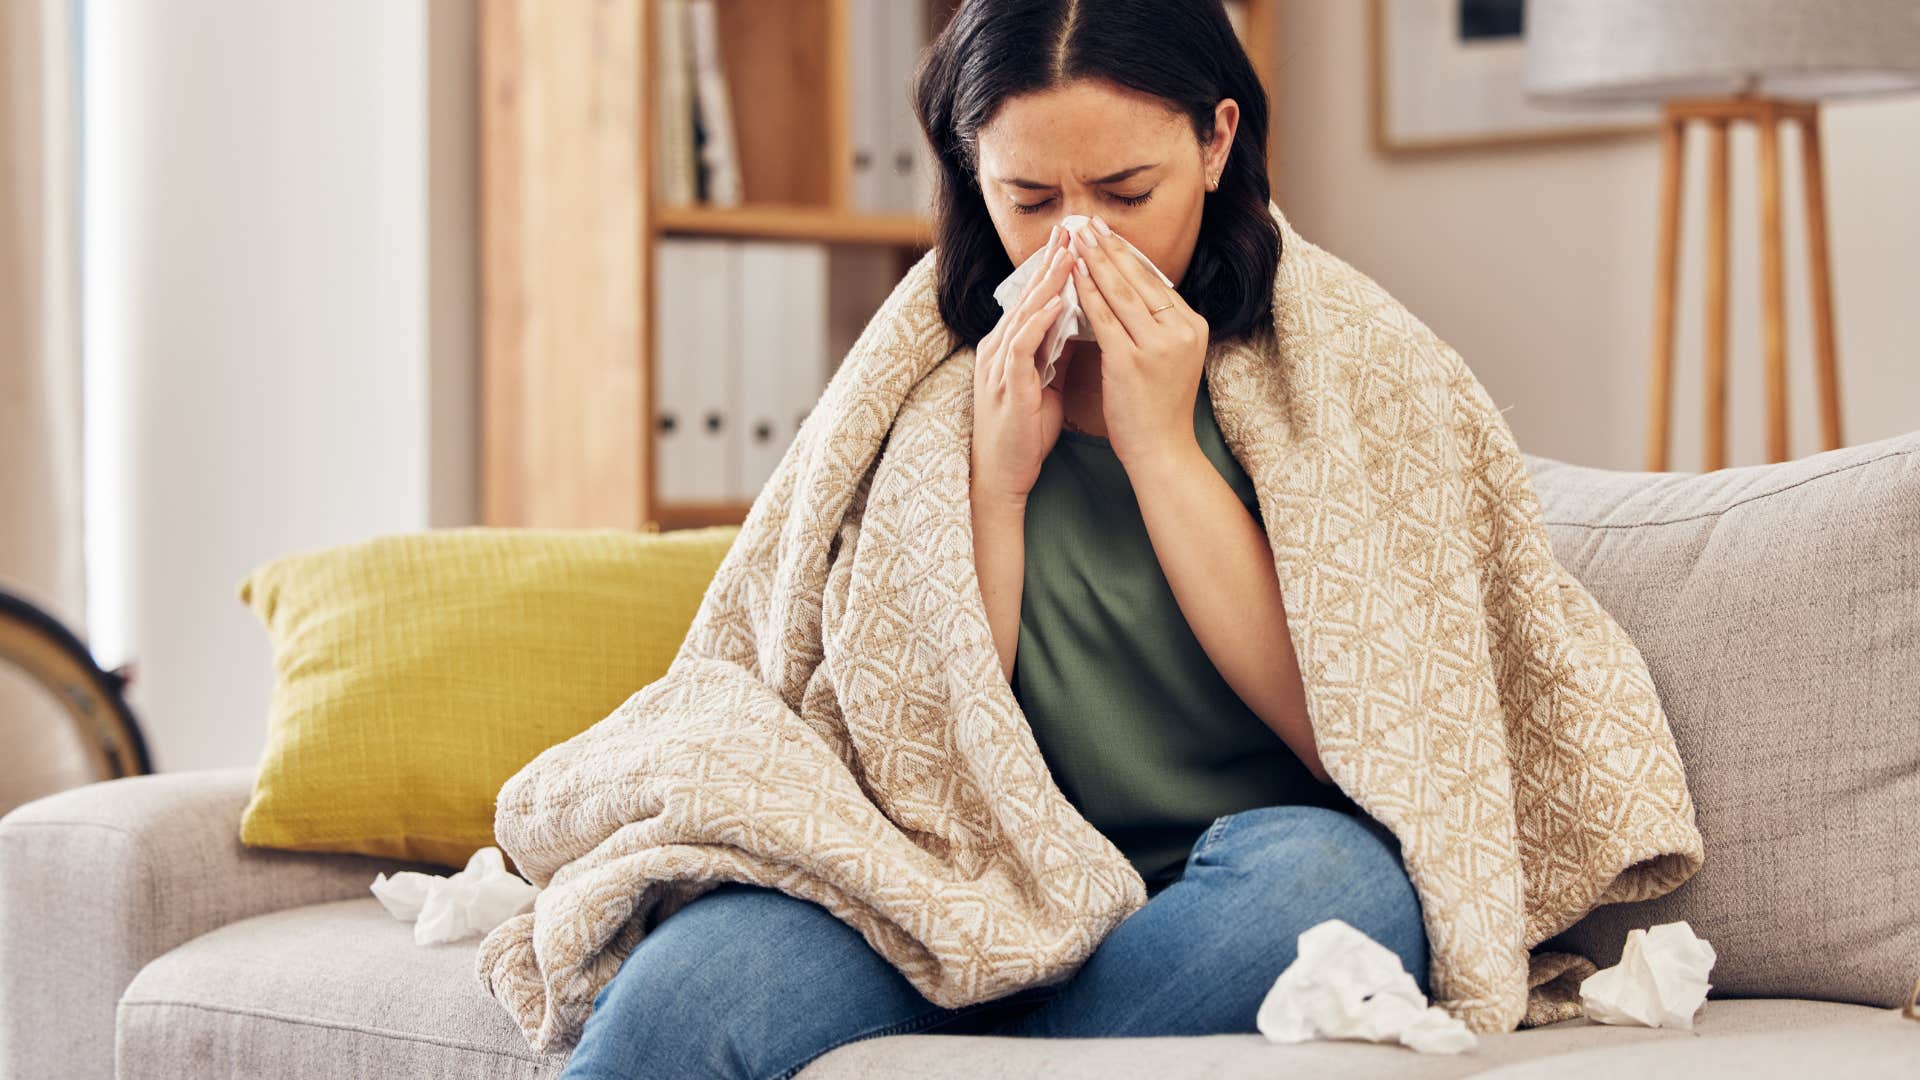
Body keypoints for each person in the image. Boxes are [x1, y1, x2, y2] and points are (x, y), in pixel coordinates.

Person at [559, 3, 1428, 1077]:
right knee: (687, 995)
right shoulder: (927, 390)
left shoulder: (1336, 369)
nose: (1078, 243)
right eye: (1030, 200)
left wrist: (1161, 449)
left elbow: (1364, 733)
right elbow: (911, 752)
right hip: (960, 879)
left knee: (1337, 895)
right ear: (975, 174)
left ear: (1216, 142)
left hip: (1232, 878)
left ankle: (1014, 1051)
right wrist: (998, 486)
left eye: (1126, 194)